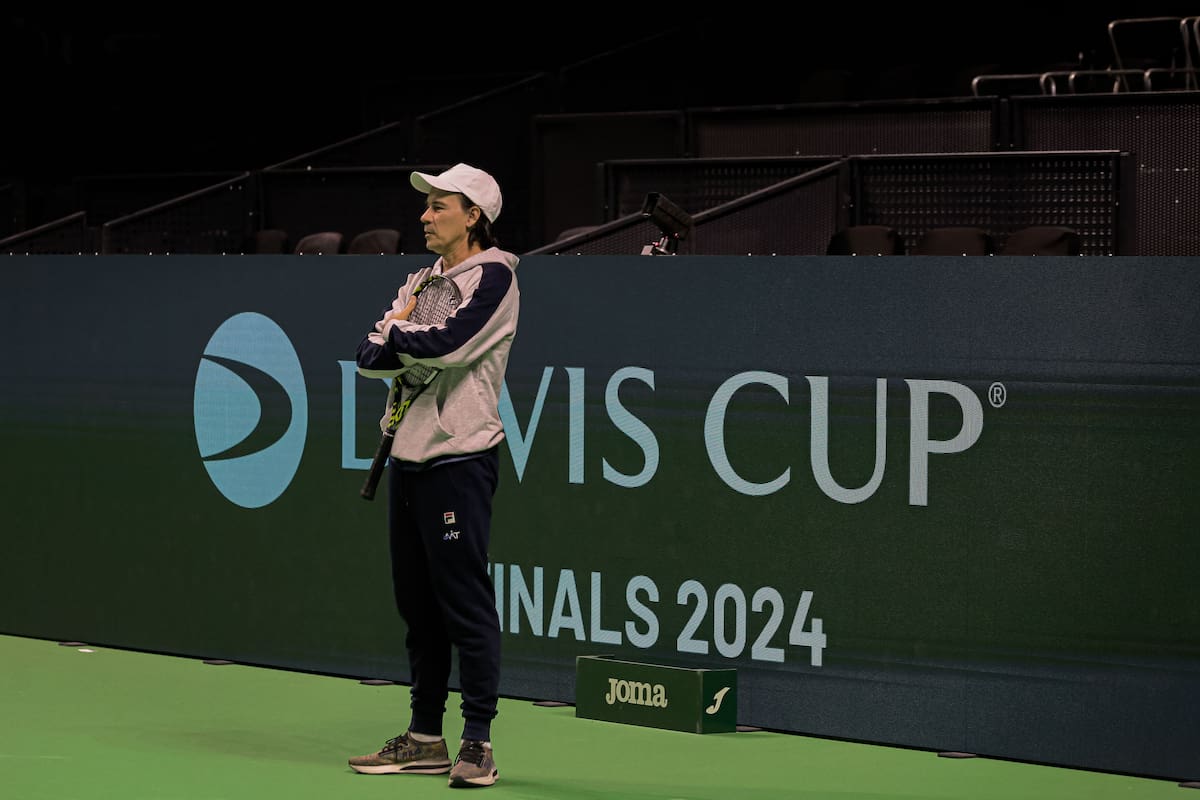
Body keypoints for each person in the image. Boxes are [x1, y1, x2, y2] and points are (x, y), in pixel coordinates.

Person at [349, 163, 519, 789]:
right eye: (426, 206)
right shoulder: (421, 279)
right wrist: (398, 335)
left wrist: (399, 331)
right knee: (417, 608)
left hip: (461, 458)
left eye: (439, 206)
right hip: (408, 458)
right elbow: (369, 356)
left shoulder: (497, 276)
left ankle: (478, 742)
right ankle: (424, 738)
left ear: (473, 215)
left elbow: (448, 343)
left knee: (465, 606)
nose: (424, 215)